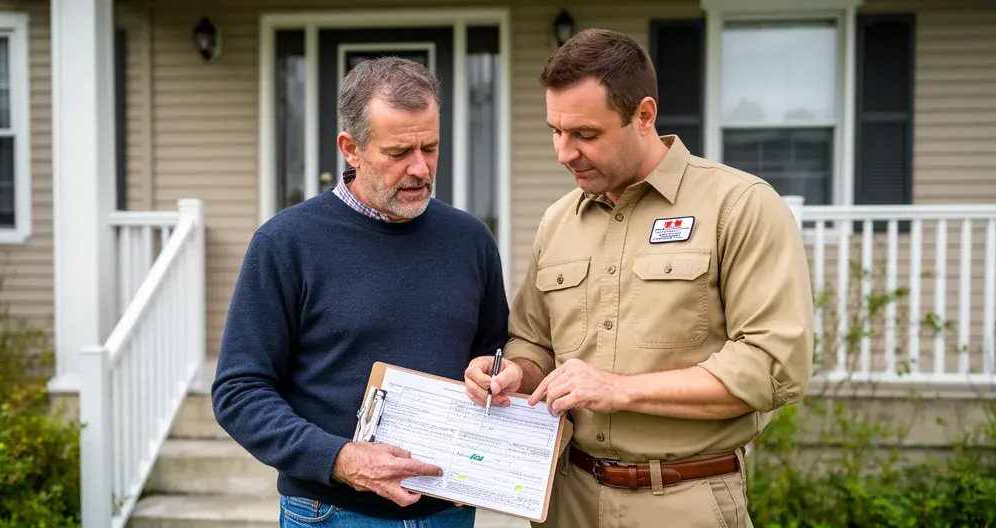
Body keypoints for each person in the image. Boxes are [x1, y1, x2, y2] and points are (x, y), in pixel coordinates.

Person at [464, 28, 814, 527]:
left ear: (644, 115)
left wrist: (618, 388)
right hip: (567, 498)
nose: (564, 152)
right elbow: (535, 342)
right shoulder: (558, 221)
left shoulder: (739, 206)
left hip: (683, 498)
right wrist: (516, 374)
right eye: (555, 131)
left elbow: (774, 366)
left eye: (585, 135)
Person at [212, 56, 509, 528]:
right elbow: (239, 391)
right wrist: (341, 458)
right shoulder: (286, 243)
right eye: (398, 152)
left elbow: (495, 352)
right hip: (332, 512)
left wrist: (496, 372)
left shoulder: (470, 239)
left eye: (430, 147)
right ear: (351, 148)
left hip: (449, 512)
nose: (420, 168)